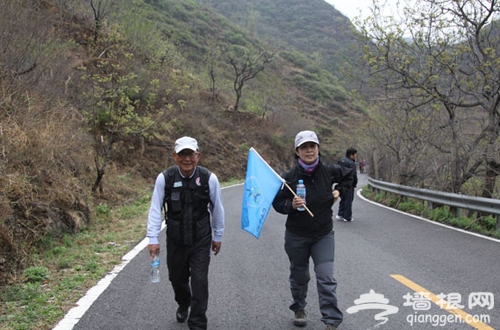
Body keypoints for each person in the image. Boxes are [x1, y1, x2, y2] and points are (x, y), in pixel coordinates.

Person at [272, 130, 353, 330]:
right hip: (296, 235)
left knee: (326, 277)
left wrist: (338, 191)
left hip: (323, 234)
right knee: (300, 276)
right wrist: (290, 204)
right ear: (297, 151)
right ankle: (299, 308)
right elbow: (277, 203)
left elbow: (350, 177)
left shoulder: (330, 170)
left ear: (318, 148)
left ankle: (332, 320)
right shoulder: (288, 177)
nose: (309, 151)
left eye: (312, 146)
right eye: (304, 147)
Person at [146, 136, 225, 330]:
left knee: (199, 282)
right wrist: (153, 238)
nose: (187, 159)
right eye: (182, 154)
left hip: (201, 239)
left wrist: (218, 236)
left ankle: (198, 323)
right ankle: (183, 302)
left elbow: (218, 209)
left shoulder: (209, 178)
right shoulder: (166, 178)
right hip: (175, 239)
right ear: (175, 156)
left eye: (190, 154)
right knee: (177, 279)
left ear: (198, 155)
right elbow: (155, 208)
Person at [336, 147, 358, 222]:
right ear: (351, 155)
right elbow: (353, 174)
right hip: (349, 184)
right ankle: (347, 216)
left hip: (341, 183)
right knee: (348, 200)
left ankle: (340, 213)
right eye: (355, 155)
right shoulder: (351, 163)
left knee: (343, 199)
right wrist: (355, 183)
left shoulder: (341, 161)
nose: (355, 156)